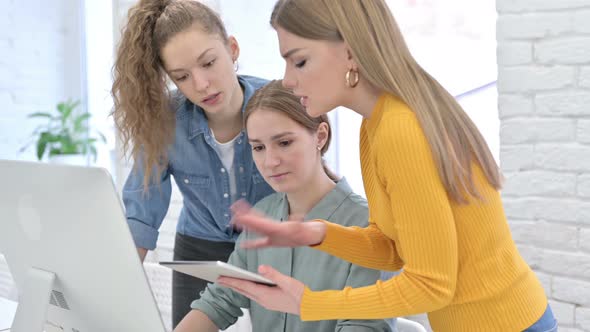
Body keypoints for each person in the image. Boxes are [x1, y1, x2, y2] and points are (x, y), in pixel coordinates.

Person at [217, 1, 557, 331]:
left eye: (300, 61)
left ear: (350, 52)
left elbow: (431, 285)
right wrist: (318, 233)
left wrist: (312, 303)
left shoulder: (399, 129)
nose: (288, 79)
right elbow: (395, 251)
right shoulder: (377, 123)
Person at [174, 80, 394, 332]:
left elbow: (363, 327)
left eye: (284, 143)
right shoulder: (262, 216)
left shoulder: (368, 225)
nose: (270, 161)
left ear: (320, 136)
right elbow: (220, 300)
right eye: (258, 147)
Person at [110, 0, 274, 327]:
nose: (201, 85)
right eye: (182, 76)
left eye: (209, 63)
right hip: (199, 246)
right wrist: (112, 292)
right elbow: (143, 210)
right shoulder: (166, 120)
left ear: (232, 48)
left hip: (272, 245)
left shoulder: (277, 105)